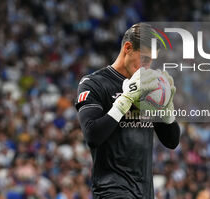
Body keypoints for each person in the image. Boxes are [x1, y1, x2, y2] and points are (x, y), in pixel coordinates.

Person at [75, 23, 180, 198]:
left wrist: (167, 108)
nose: (147, 66)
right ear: (128, 48)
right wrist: (125, 99)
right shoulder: (94, 83)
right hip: (112, 191)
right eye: (145, 58)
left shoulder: (148, 86)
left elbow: (171, 141)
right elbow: (92, 135)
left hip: (145, 192)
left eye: (151, 61)